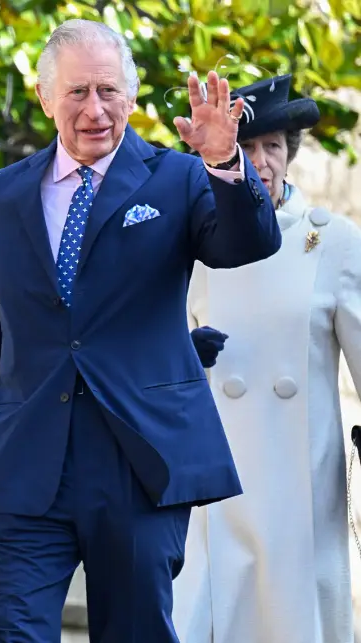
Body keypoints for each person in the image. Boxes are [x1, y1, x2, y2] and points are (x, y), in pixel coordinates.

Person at [0, 19, 282, 642]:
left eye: (108, 91)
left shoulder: (178, 179)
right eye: (77, 93)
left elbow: (248, 243)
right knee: (15, 633)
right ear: (46, 98)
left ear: (130, 98)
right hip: (25, 462)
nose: (95, 110)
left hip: (140, 460)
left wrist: (223, 161)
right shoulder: (0, 195)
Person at [173, 73, 361, 643]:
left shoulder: (333, 243)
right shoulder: (188, 238)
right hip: (207, 479)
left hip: (298, 487)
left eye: (272, 147)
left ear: (289, 154)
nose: (260, 161)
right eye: (247, 147)